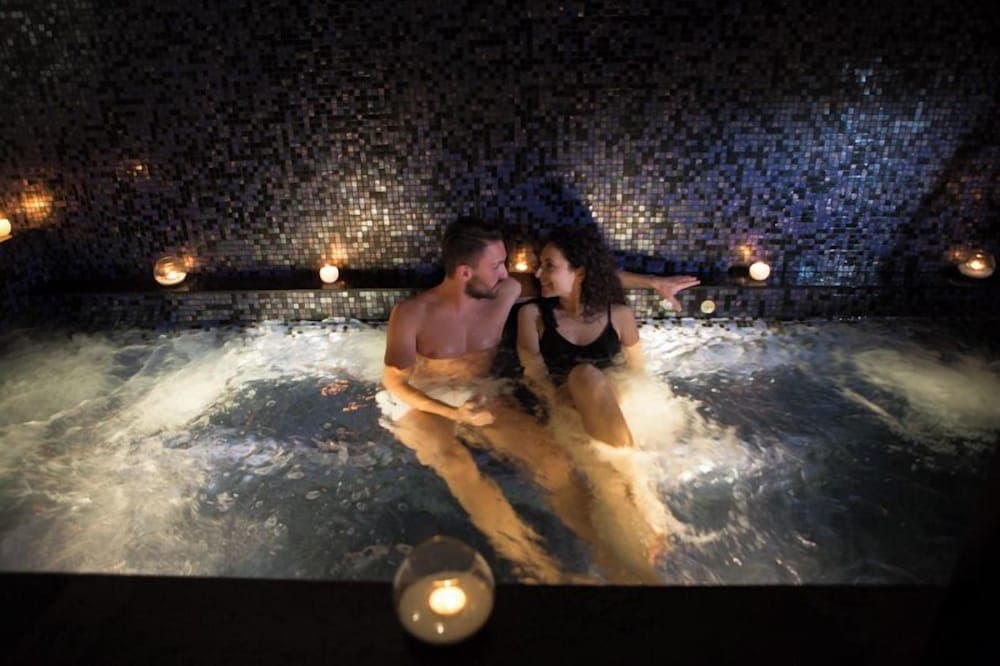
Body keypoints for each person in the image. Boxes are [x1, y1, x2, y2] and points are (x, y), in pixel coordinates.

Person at [373, 216, 698, 582]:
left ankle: (617, 559)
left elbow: (584, 276)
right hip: (423, 403)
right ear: (465, 272)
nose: (507, 273)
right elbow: (395, 383)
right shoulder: (412, 312)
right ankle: (542, 572)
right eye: (497, 265)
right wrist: (454, 413)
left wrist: (654, 282)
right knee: (455, 463)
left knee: (554, 462)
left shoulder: (506, 290)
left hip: (480, 397)